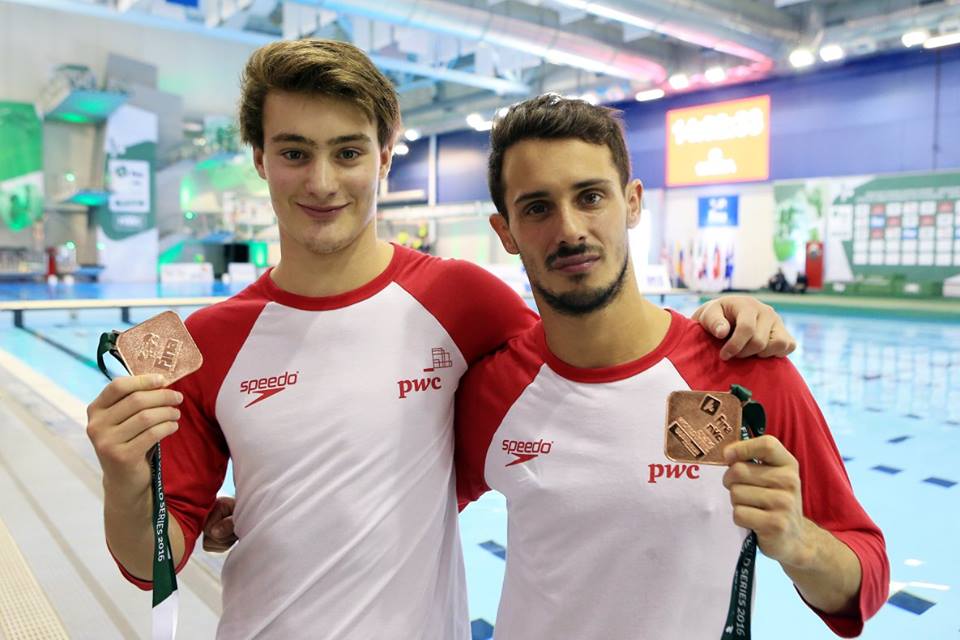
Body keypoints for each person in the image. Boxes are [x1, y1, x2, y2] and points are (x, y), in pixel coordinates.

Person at [85, 40, 796, 639]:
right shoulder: (204, 340)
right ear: (260, 159)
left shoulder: (462, 299)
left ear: (384, 158)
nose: (322, 182)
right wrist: (121, 476)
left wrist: (715, 320)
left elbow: (594, 360)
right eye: (295, 152)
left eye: (348, 152)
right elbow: (152, 563)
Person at [453, 94, 889, 639]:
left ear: (633, 203)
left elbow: (864, 580)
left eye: (591, 197)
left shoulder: (742, 373)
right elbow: (398, 518)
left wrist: (799, 542)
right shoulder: (493, 391)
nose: (569, 229)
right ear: (506, 232)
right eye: (537, 208)